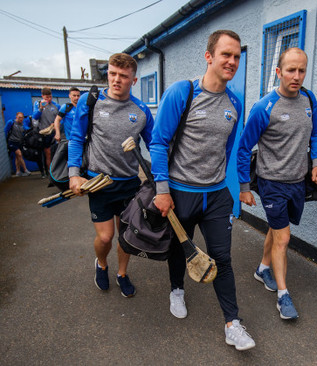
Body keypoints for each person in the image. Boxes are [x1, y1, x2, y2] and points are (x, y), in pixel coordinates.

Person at [150, 30, 255, 351]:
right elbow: (158, 141)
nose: (232, 61)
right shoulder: (183, 92)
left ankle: (232, 324)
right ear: (209, 56)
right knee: (182, 247)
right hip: (180, 192)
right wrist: (162, 189)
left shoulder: (234, 102)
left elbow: (228, 149)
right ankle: (176, 289)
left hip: (216, 195)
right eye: (226, 54)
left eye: (236, 56)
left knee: (222, 257)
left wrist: (234, 187)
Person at [236, 47, 317, 320]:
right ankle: (283, 296)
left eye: (301, 70)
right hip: (272, 183)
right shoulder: (264, 107)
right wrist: (244, 187)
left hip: (298, 182)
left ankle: (262, 268)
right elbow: (243, 148)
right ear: (278, 72)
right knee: (284, 238)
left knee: (277, 231)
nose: (296, 76)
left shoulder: (309, 99)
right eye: (290, 70)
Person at [68, 53, 154, 298]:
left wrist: (163, 178)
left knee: (127, 237)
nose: (116, 80)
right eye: (113, 74)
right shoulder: (90, 101)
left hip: (129, 185)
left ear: (133, 80)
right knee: (105, 238)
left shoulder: (141, 111)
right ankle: (102, 264)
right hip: (99, 184)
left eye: (123, 76)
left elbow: (156, 145)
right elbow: (75, 138)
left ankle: (122, 274)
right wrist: (74, 175)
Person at [33, 87, 60, 177]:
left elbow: (61, 118)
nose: (48, 99)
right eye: (46, 97)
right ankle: (49, 172)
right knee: (47, 153)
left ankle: (56, 171)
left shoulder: (56, 106)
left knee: (56, 152)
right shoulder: (37, 104)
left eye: (50, 97)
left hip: (54, 132)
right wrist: (40, 108)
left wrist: (56, 124)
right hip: (43, 133)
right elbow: (35, 117)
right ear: (42, 96)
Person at [4, 112, 31, 177]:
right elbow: (5, 131)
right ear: (16, 117)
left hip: (19, 142)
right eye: (19, 117)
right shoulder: (11, 122)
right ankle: (25, 170)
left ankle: (18, 171)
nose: (20, 119)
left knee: (17, 157)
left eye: (22, 117)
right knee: (19, 154)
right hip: (12, 142)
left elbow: (26, 129)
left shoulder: (23, 125)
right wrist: (6, 142)